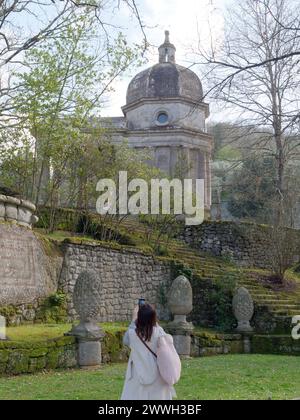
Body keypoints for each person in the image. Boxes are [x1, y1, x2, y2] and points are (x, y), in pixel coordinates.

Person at [121, 303, 177, 400]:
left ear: (139, 318)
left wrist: (133, 320)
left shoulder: (132, 334)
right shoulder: (160, 333)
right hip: (158, 375)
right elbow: (168, 340)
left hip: (137, 376)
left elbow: (125, 340)